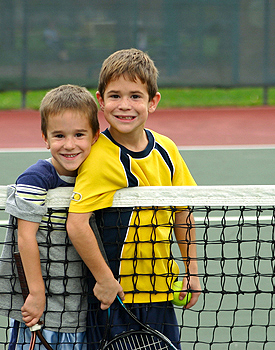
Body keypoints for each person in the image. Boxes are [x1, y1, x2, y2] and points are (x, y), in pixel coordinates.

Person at [66, 48, 201, 349]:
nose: (124, 105)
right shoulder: (99, 158)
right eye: (115, 96)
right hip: (115, 298)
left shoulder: (167, 150)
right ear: (100, 101)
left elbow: (182, 213)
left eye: (135, 96)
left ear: (153, 102)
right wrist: (104, 280)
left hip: (161, 293)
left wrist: (191, 270)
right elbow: (77, 224)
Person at [0, 84, 100, 350]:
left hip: (80, 313)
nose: (69, 145)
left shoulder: (96, 177)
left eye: (79, 134)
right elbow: (25, 237)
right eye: (59, 135)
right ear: (45, 138)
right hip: (40, 314)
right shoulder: (35, 178)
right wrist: (36, 294)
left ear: (95, 135)